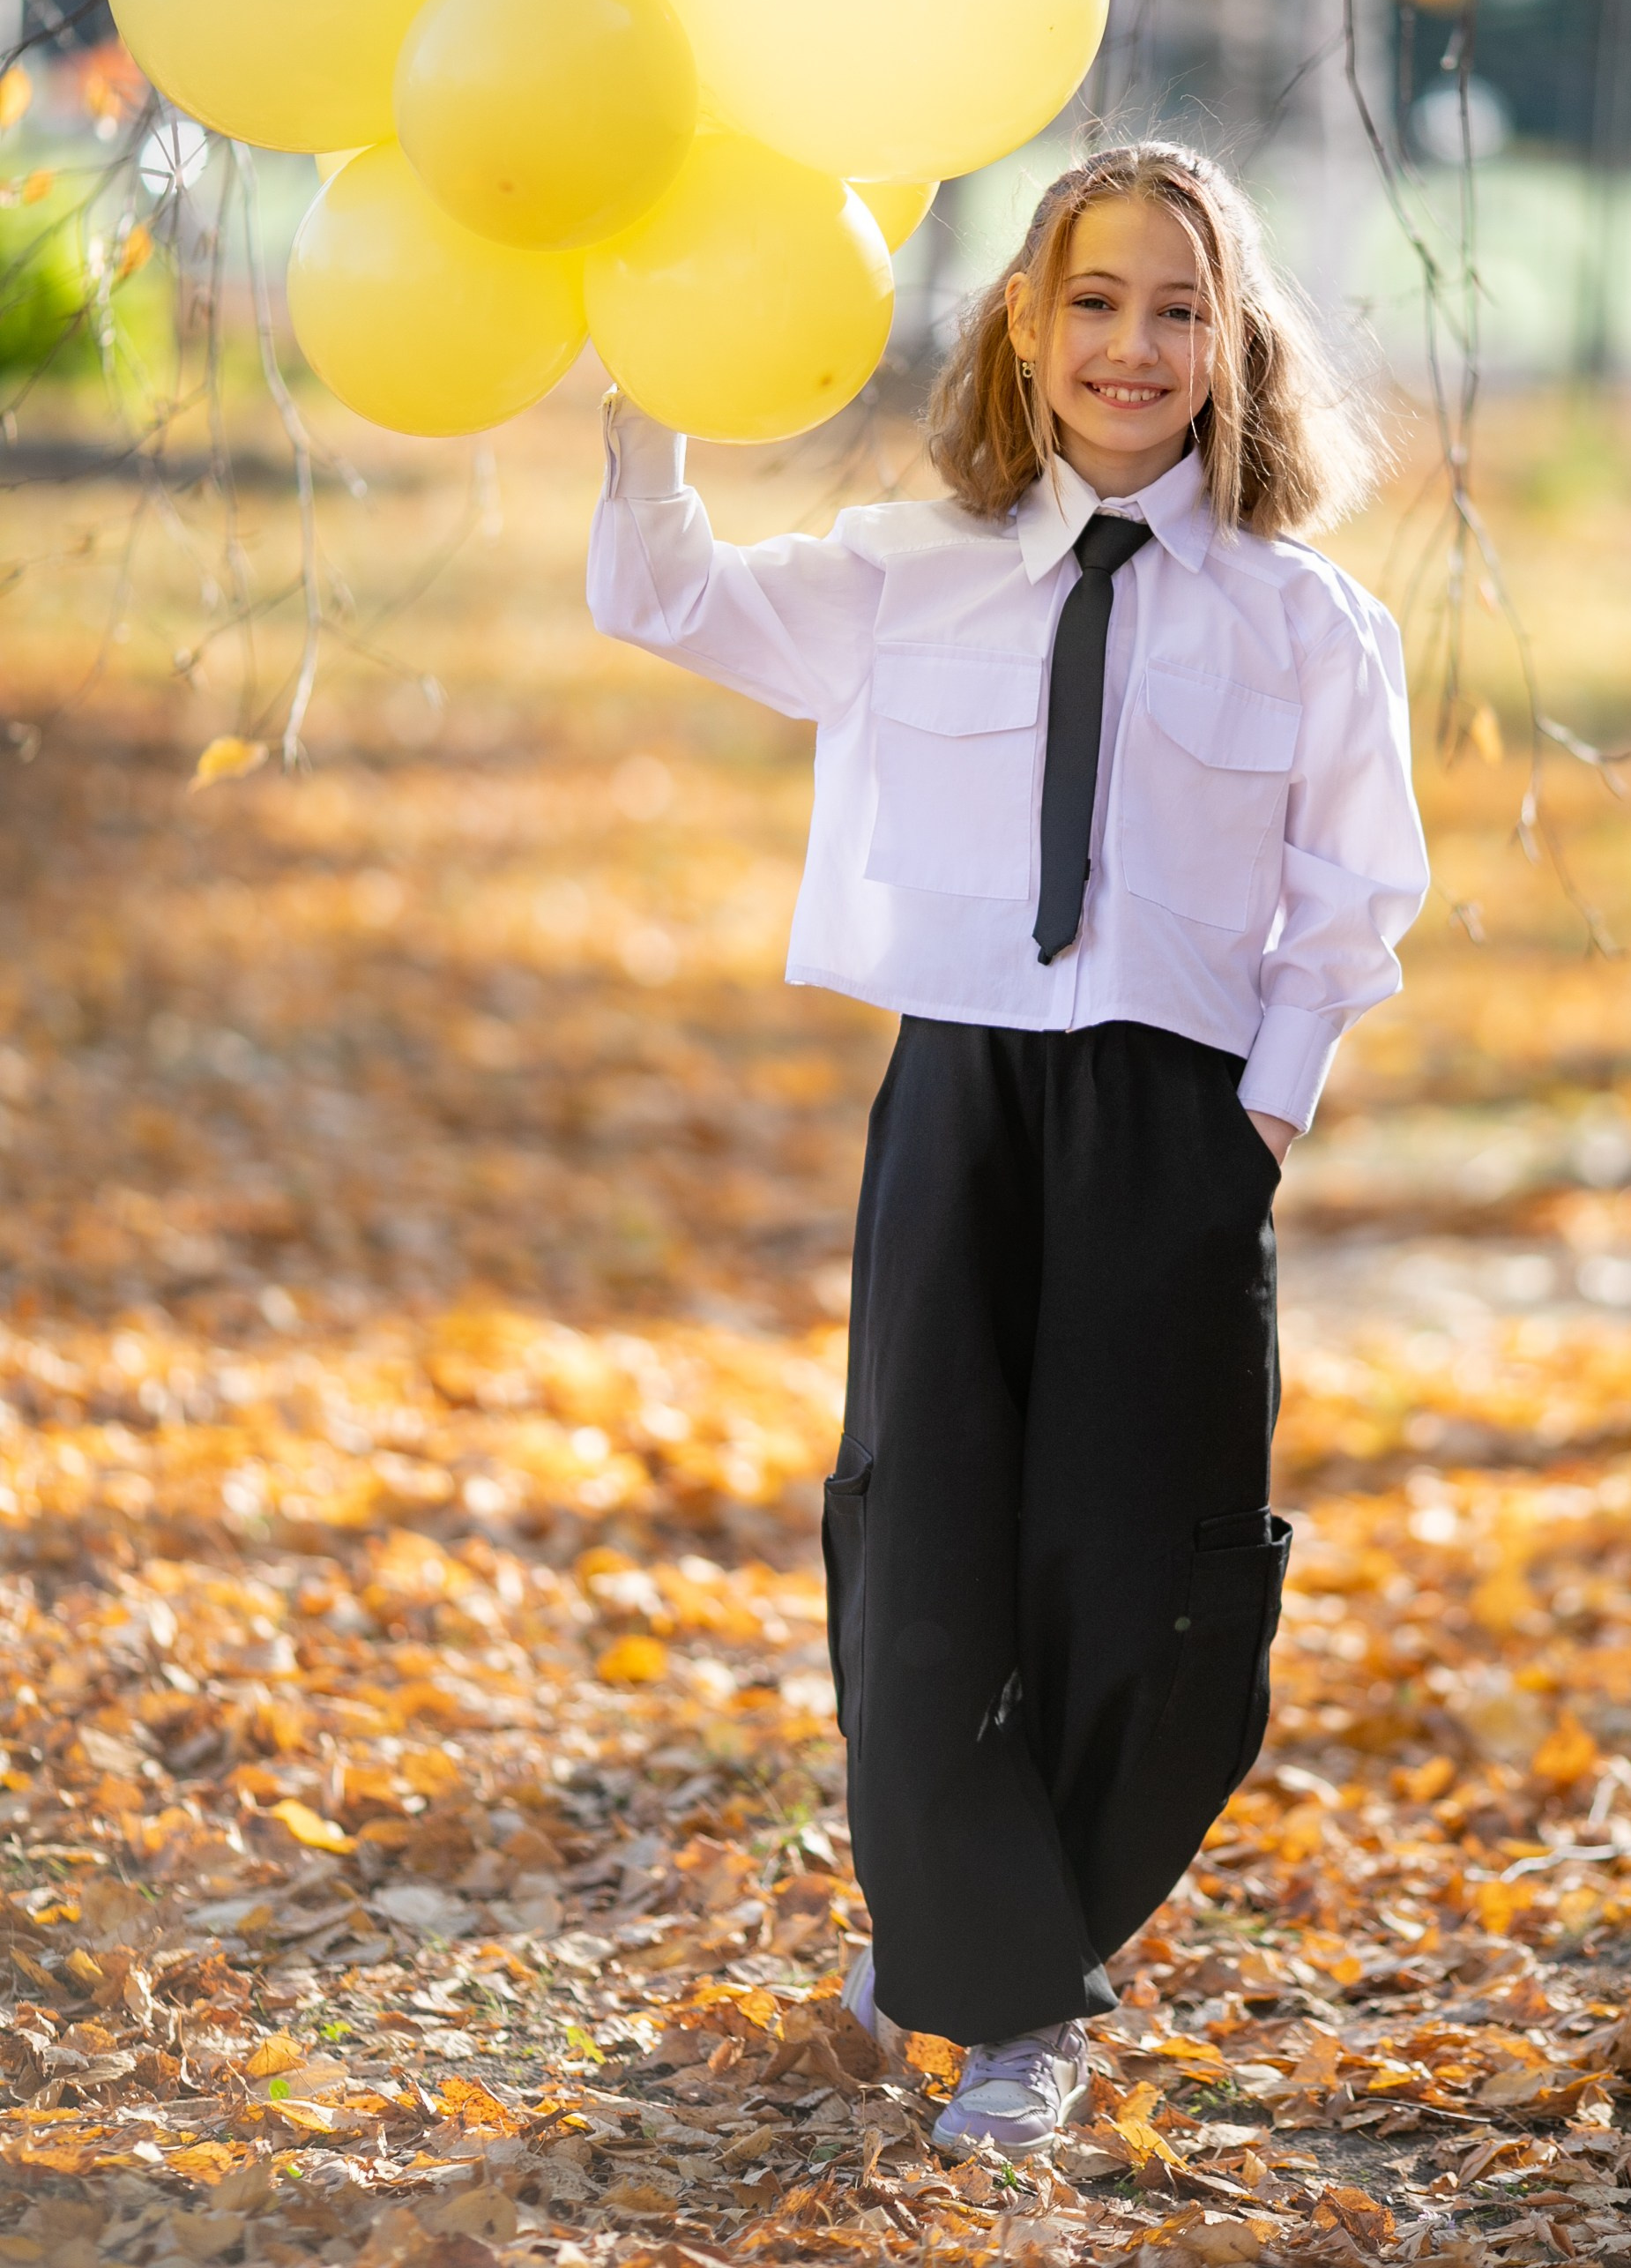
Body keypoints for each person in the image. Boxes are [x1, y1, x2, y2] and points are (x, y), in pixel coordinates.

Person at [587, 139, 1429, 2159]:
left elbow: (1350, 895)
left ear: (1231, 348)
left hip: (1179, 1118)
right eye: (1092, 301)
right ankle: (994, 1991)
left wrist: (1262, 1108)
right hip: (959, 1093)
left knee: (1150, 1570)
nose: (1131, 344)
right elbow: (660, 590)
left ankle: (1022, 1935)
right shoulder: (908, 568)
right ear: (1023, 332)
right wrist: (645, 371)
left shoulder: (1306, 622)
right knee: (931, 1540)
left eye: (1176, 307)